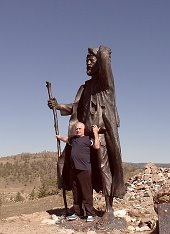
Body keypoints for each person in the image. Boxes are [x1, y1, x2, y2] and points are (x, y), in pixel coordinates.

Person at [48, 45, 125, 223]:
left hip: (102, 134)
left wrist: (101, 52)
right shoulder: (87, 87)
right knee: (80, 172)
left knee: (104, 169)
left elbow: (105, 57)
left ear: (99, 63)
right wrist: (58, 106)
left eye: (91, 60)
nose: (87, 64)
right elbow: (77, 108)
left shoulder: (105, 83)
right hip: (84, 136)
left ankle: (109, 208)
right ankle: (83, 207)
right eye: (86, 61)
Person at [56, 122, 100, 222]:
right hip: (74, 170)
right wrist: (59, 137)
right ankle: (77, 213)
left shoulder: (88, 139)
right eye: (76, 129)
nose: (77, 130)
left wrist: (95, 132)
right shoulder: (73, 139)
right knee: (76, 193)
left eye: (79, 128)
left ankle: (90, 214)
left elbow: (97, 146)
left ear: (83, 129)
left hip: (84, 170)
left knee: (87, 193)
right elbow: (66, 139)